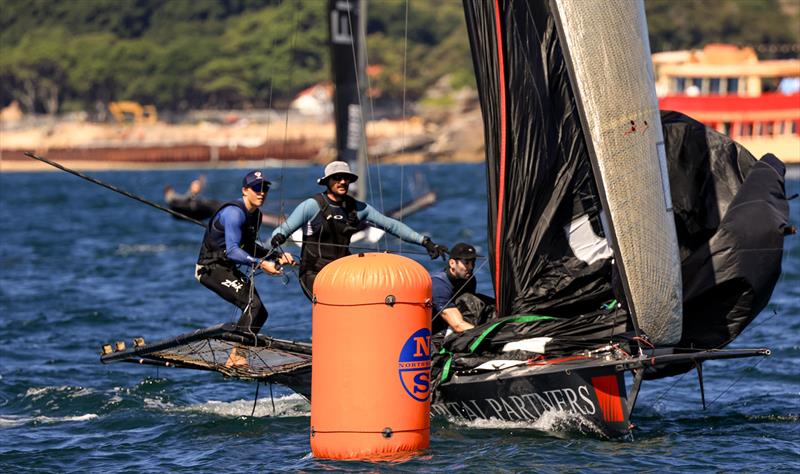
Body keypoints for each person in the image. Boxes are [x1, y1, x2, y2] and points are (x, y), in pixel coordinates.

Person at [270, 160, 448, 300]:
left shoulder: (357, 208)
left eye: (345, 178)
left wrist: (425, 242)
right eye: (337, 178)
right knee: (335, 306)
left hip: (343, 271)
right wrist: (279, 249)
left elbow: (391, 225)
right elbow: (281, 231)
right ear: (327, 182)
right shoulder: (312, 205)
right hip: (313, 273)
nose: (342, 182)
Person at [195, 170, 294, 366]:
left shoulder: (256, 215)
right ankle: (236, 355)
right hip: (209, 268)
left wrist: (275, 256)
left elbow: (249, 247)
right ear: (245, 190)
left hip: (226, 268)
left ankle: (238, 353)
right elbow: (232, 251)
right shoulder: (234, 214)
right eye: (256, 188)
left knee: (260, 312)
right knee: (253, 306)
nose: (261, 193)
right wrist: (261, 264)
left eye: (265, 188)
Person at [430, 242, 495, 348]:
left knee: (489, 303)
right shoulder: (439, 285)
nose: (471, 267)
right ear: (452, 263)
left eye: (473, 262)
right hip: (436, 334)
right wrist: (488, 338)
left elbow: (473, 309)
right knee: (468, 299)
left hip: (457, 324)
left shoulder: (469, 279)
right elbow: (458, 325)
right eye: (466, 262)